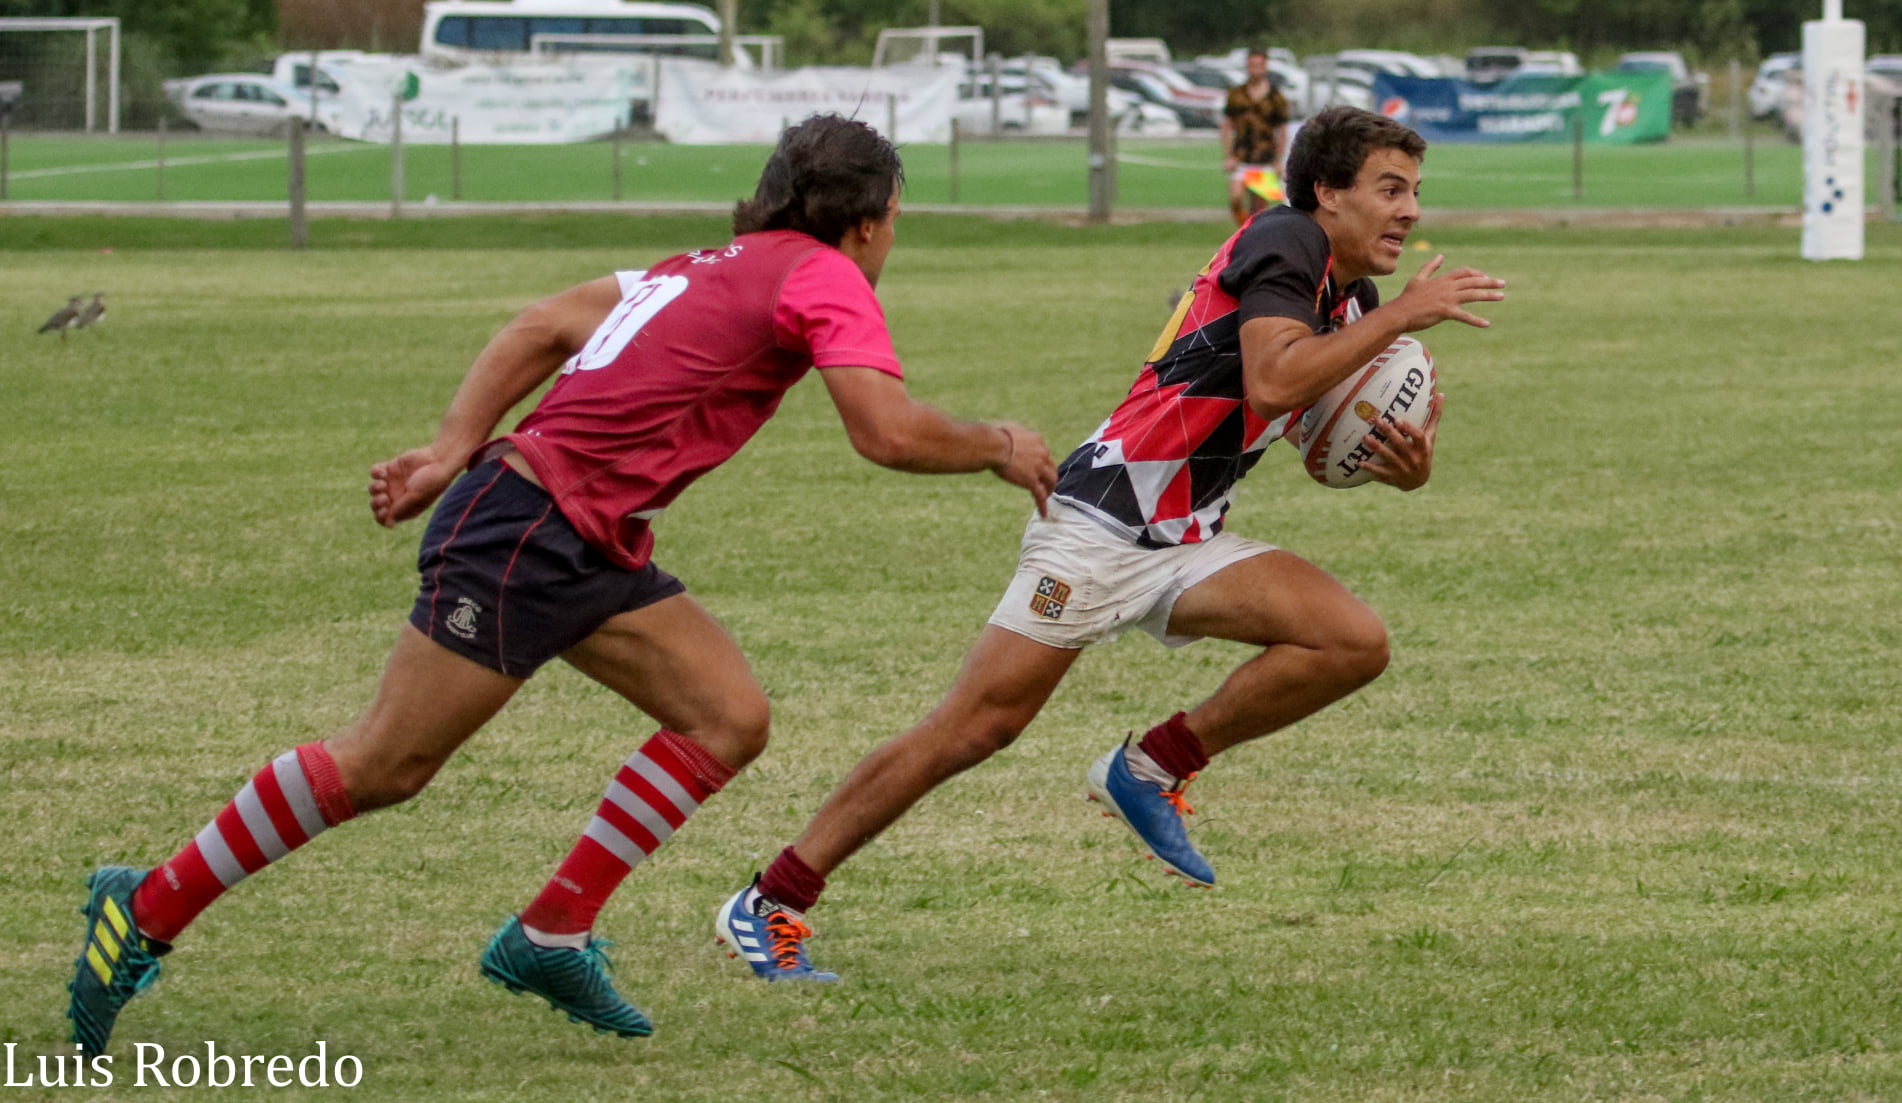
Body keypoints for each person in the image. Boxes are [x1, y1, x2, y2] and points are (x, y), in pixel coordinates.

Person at [64, 113, 1058, 1054]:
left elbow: (545, 326)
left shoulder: (694, 266)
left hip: (585, 535)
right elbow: (884, 430)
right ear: (870, 220)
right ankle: (144, 906)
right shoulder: (826, 274)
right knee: (384, 764)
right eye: (894, 221)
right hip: (528, 531)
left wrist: (447, 449)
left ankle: (550, 931)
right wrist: (998, 443)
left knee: (727, 716)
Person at [713, 106, 1506, 982]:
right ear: (1327, 191)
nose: (1409, 211)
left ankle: (1151, 768)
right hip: (1100, 524)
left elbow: (1306, 432)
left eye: (1414, 192)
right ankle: (770, 899)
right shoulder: (1285, 240)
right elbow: (1274, 380)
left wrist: (1403, 466)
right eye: (1390, 190)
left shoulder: (1347, 299)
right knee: (976, 726)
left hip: (1185, 535)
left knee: (1350, 640)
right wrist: (1405, 317)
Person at [1220, 46, 1294, 225]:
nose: (1255, 70)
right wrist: (1229, 155)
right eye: (1252, 65)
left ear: (1265, 67)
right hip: (1241, 157)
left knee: (1259, 208)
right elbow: (1227, 125)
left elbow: (1282, 130)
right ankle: (1244, 228)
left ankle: (1251, 232)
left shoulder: (1276, 97)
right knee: (1236, 198)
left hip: (1265, 159)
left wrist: (1278, 159)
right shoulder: (1236, 94)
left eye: (1259, 65)